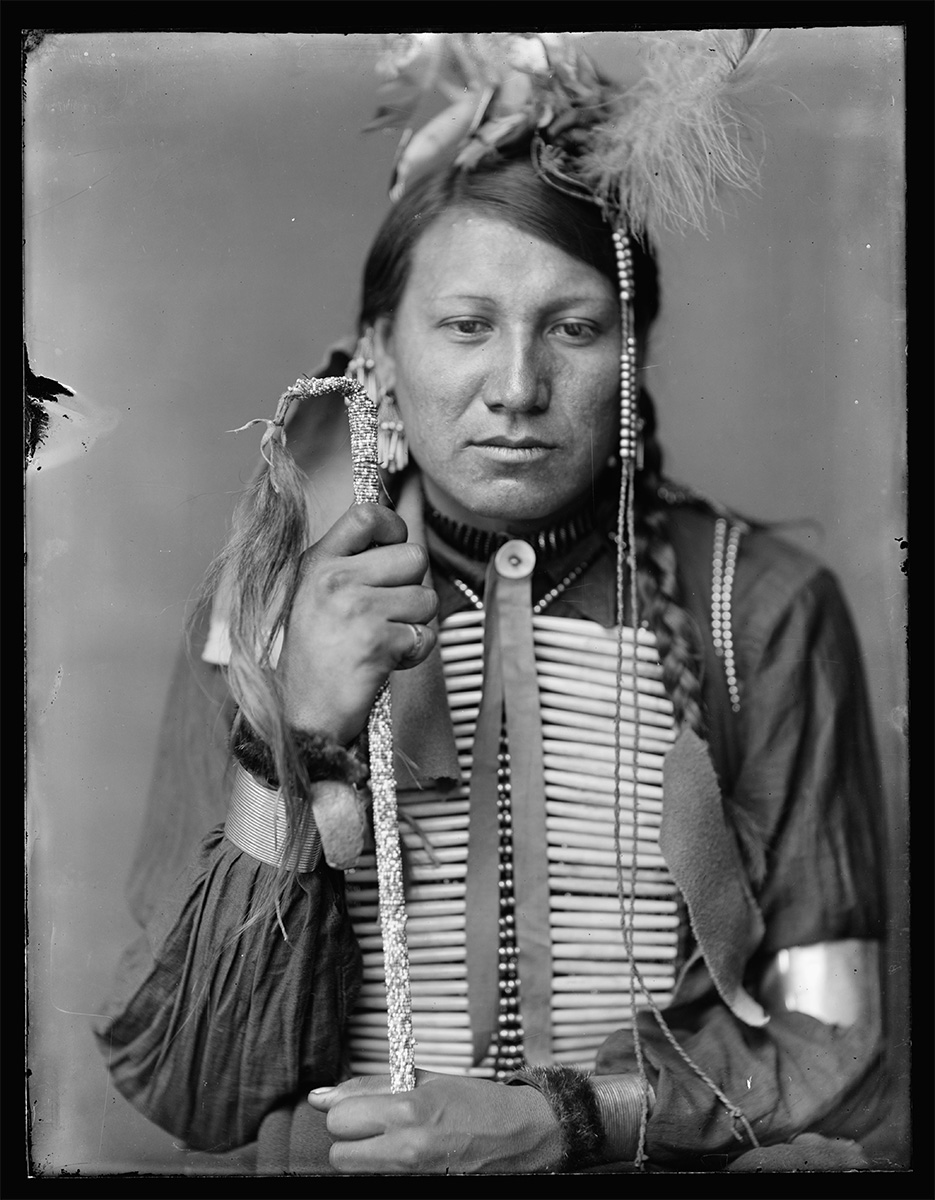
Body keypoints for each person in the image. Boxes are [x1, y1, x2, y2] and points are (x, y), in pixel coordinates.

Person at [95, 33, 889, 1173]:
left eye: (571, 328)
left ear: (630, 355)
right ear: (375, 355)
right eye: (465, 326)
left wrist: (571, 1118)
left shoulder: (756, 607)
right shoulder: (261, 617)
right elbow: (198, 1094)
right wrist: (292, 739)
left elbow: (841, 1042)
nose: (515, 389)